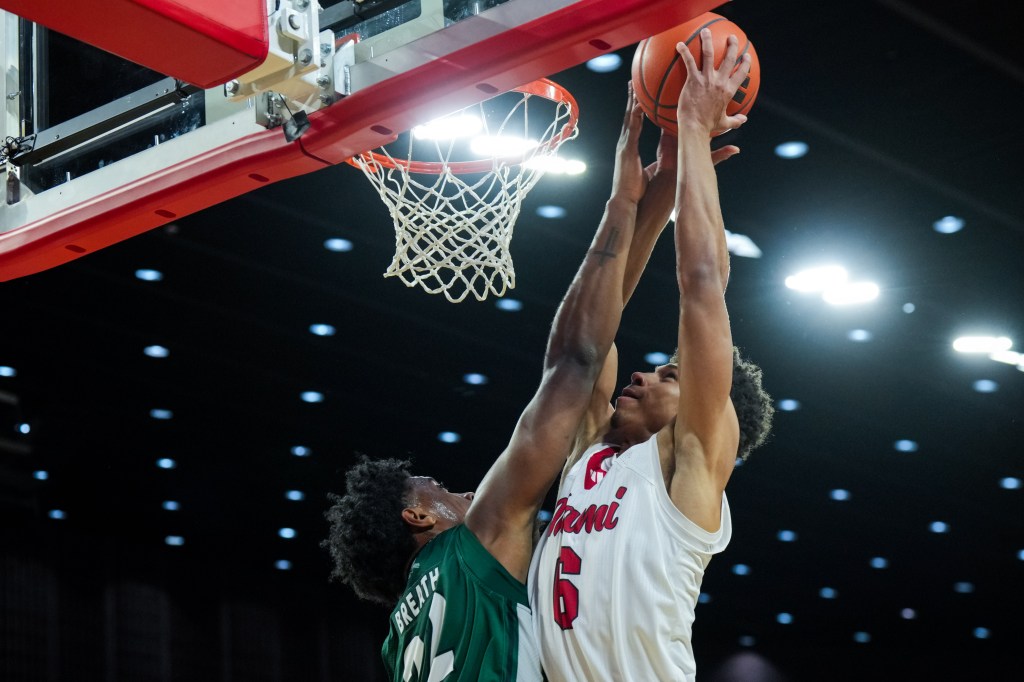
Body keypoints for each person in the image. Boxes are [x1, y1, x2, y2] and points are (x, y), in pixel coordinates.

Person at [321, 70, 735, 678]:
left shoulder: (398, 643)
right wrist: (633, 196)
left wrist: (657, 195)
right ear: (419, 517)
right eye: (436, 488)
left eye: (671, 376)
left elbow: (607, 331)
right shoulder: (477, 546)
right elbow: (580, 357)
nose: (463, 490)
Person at [528, 30, 774, 682]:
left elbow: (701, 284)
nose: (641, 373)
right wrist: (654, 190)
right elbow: (583, 343)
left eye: (670, 375)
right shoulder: (589, 451)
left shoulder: (689, 464)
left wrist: (694, 127)